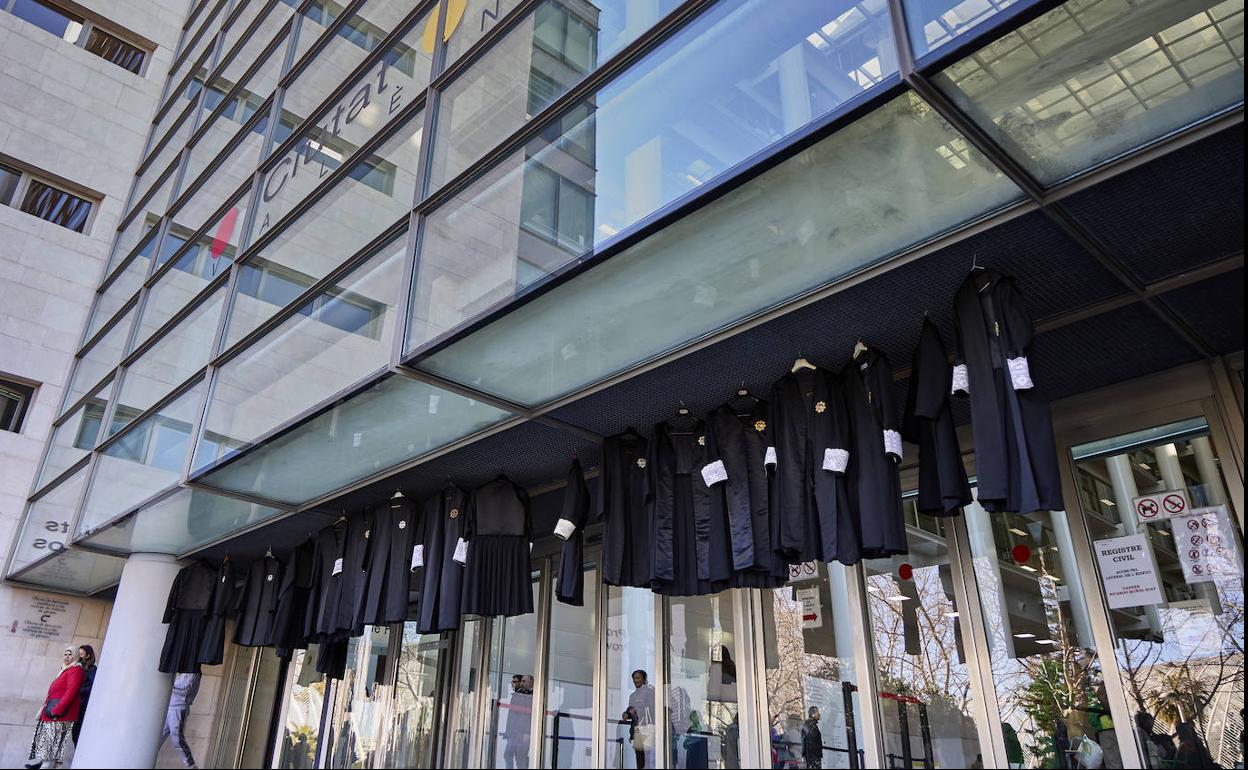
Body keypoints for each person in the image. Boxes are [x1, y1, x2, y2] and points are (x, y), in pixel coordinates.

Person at [26, 647, 84, 769]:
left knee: (52, 746)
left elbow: (71, 691)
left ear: (75, 656)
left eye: (70, 654)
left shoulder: (76, 669)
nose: (66, 656)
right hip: (54, 713)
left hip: (60, 715)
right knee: (52, 748)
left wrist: (57, 709)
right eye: (65, 654)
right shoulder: (65, 669)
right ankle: (46, 765)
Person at [158, 672, 201, 769]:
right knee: (157, 737)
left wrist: (170, 686)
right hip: (169, 707)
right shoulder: (182, 674)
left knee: (177, 739)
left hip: (178, 709)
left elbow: (184, 691)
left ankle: (191, 766)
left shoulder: (194, 675)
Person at [624, 669, 656, 768]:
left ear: (644, 679)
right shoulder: (632, 696)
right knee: (639, 758)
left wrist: (638, 709)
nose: (635, 680)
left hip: (647, 727)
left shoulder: (650, 691)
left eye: (638, 678)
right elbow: (630, 710)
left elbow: (652, 708)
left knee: (649, 758)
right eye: (634, 678)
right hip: (637, 729)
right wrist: (626, 714)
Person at [502, 674, 533, 768]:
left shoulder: (534, 697)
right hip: (514, 732)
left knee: (520, 758)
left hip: (523, 734)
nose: (521, 683)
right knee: (508, 754)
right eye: (521, 681)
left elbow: (530, 716)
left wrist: (527, 733)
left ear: (531, 683)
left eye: (524, 681)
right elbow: (511, 715)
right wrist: (508, 732)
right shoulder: (517, 694)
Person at [71, 645, 97, 745]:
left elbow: (92, 687)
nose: (79, 656)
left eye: (81, 654)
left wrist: (77, 689)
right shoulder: (77, 666)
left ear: (88, 655)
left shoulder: (92, 669)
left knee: (77, 732)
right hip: (75, 703)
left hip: (82, 705)